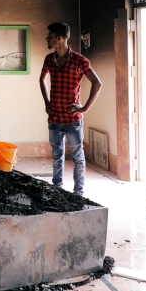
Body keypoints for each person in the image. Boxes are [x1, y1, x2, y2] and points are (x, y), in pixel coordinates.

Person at [39, 22, 102, 197]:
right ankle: (57, 190)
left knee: (77, 158)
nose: (47, 39)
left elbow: (97, 83)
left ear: (59, 39)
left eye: (50, 36)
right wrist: (47, 101)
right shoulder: (49, 60)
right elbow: (42, 79)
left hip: (73, 120)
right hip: (54, 119)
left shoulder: (80, 61)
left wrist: (85, 108)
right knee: (57, 157)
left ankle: (77, 194)